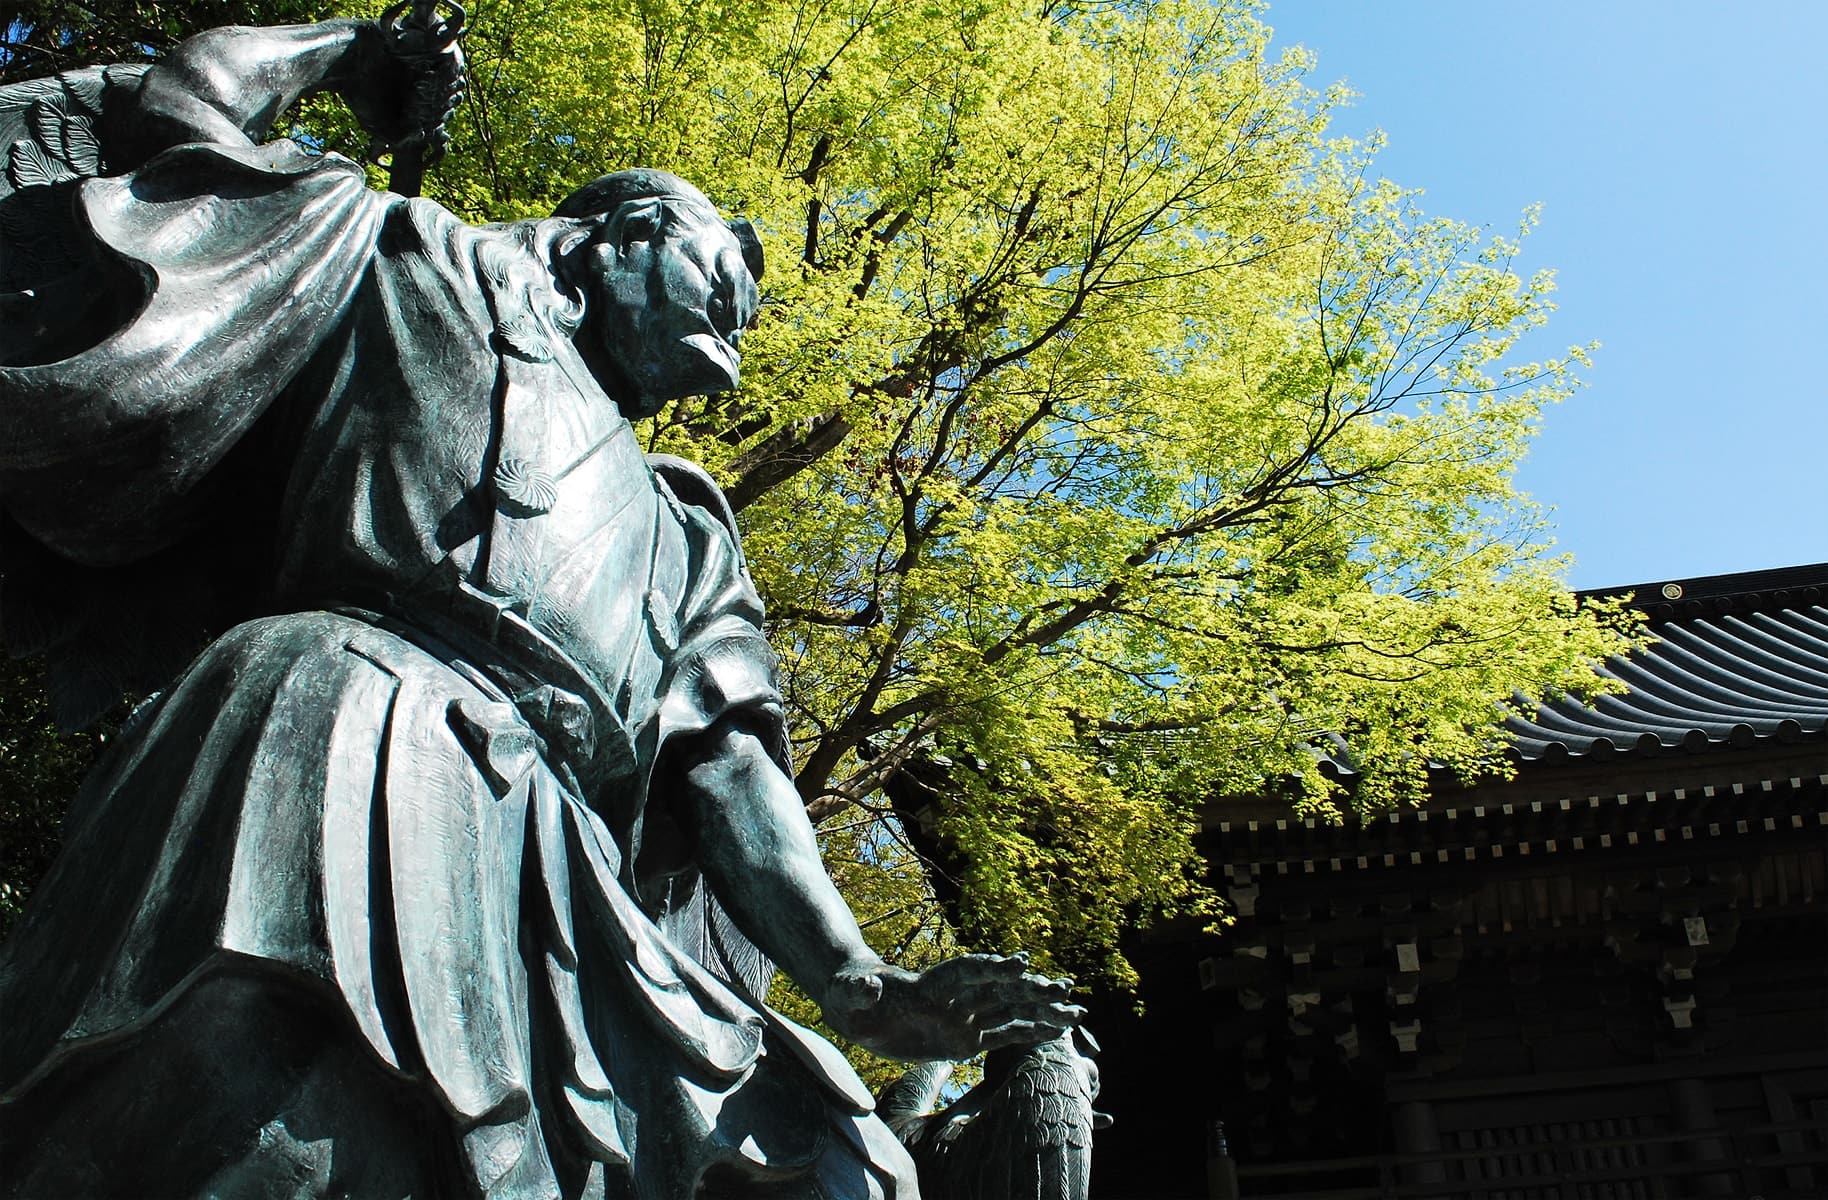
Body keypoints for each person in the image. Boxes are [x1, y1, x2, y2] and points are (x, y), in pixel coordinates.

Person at [0, 18, 1080, 1199]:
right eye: (725, 272)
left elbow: (733, 771)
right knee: (268, 1096)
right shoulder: (409, 257)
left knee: (838, 1164)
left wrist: (857, 981)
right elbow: (187, 124)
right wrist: (351, 50)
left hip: (565, 863)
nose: (741, 316)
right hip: (350, 719)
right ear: (627, 235)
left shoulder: (685, 526)